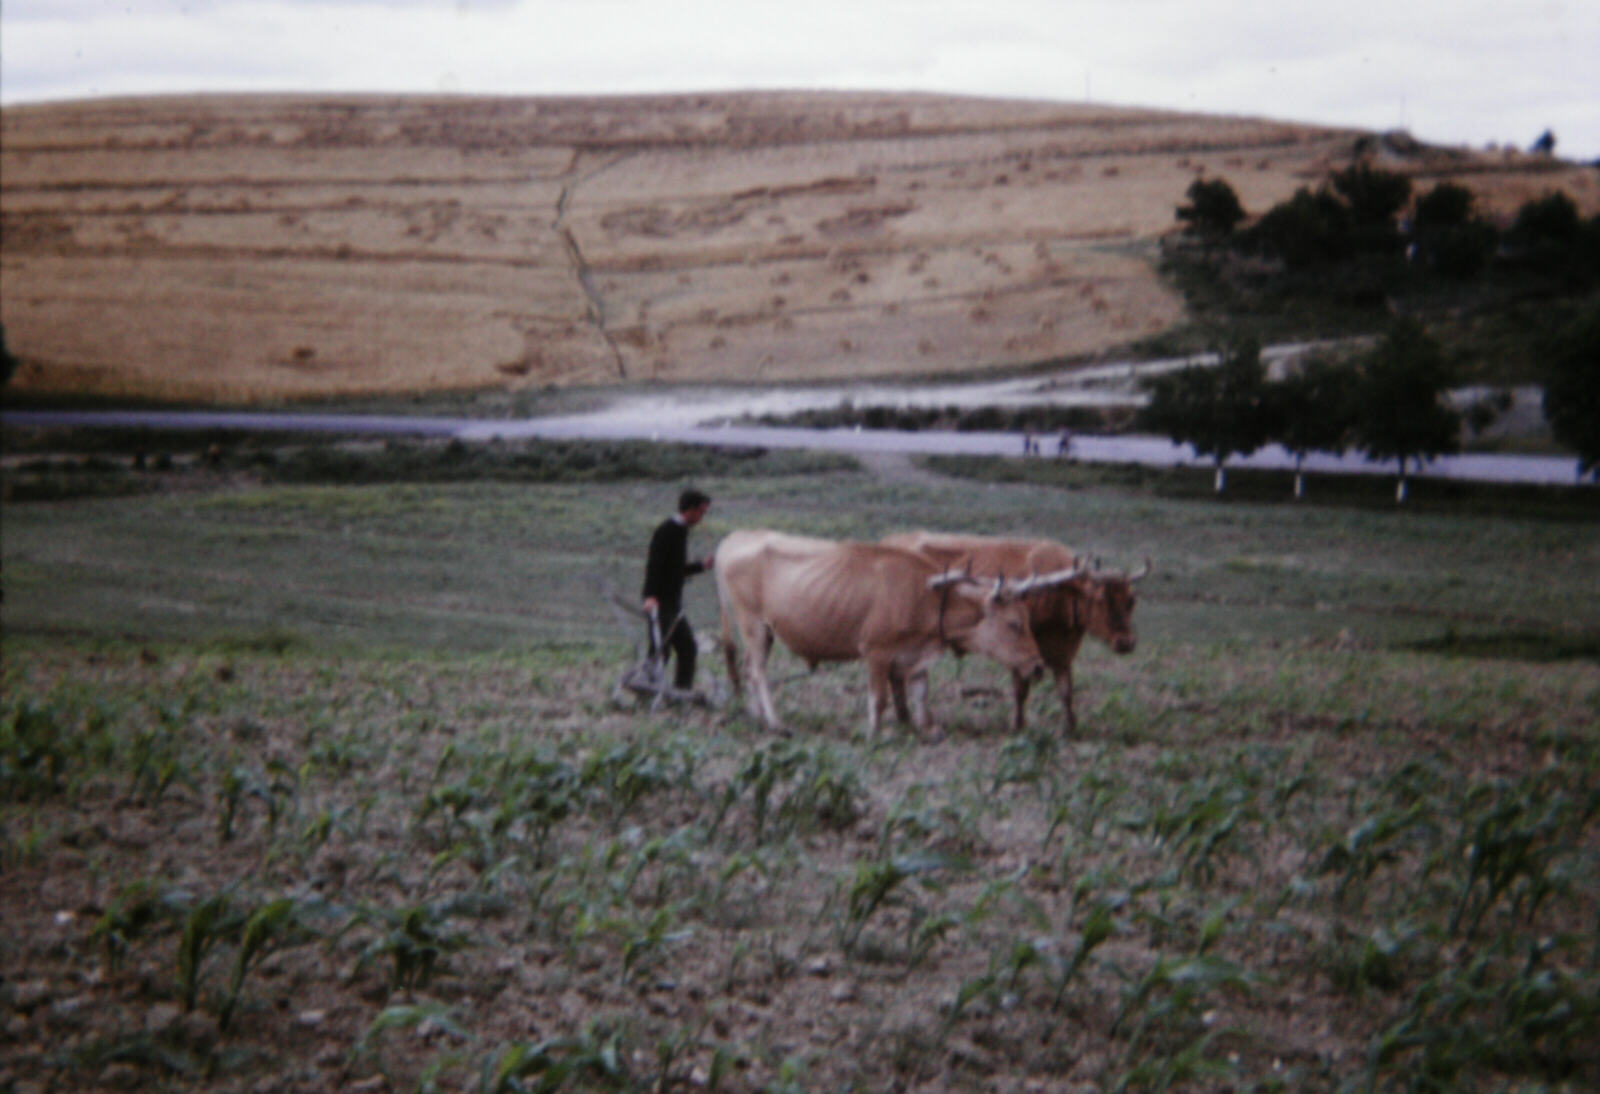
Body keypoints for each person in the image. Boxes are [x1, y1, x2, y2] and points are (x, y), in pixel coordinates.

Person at [641, 488, 714, 690]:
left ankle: (682, 693)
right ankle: (648, 690)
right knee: (659, 651)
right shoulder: (667, 530)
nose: (702, 517)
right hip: (660, 602)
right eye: (701, 511)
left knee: (687, 647)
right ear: (690, 510)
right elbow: (654, 565)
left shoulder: (681, 531)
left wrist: (701, 566)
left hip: (673, 604)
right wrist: (650, 596)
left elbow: (675, 569)